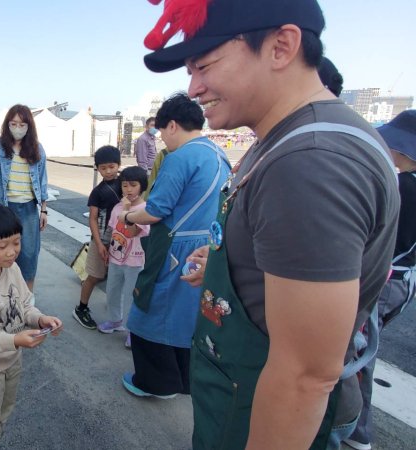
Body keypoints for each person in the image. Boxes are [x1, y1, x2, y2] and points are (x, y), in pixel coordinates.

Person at [143, 0, 399, 448]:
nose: (194, 87)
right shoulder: (286, 136)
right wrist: (230, 263)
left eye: (203, 65)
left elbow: (304, 376)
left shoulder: (311, 162)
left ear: (281, 47)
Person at [117, 94, 229, 397]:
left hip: (174, 247)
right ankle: (184, 380)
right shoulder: (219, 154)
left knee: (151, 311)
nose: (162, 138)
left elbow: (155, 210)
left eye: (162, 131)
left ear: (173, 125)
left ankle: (156, 382)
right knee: (190, 315)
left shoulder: (180, 157)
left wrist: (128, 215)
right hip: (208, 246)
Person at [0, 205, 63, 450]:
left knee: (3, 412)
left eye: (16, 243)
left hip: (12, 363)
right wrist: (16, 341)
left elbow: (25, 305)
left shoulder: (12, 269)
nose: (12, 252)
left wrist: (40, 319)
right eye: (2, 246)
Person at [345, 110, 416, 450]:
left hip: (381, 279)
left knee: (353, 354)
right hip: (403, 282)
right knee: (362, 351)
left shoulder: (400, 184)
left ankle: (353, 427)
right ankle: (355, 427)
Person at [0, 104, 49, 291]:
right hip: (4, 208)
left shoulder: (37, 149)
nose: (17, 128)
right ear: (7, 124)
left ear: (29, 126)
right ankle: (2, 299)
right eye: (13, 123)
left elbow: (42, 181)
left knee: (29, 257)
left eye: (22, 124)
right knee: (1, 255)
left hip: (29, 210)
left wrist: (43, 210)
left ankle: (26, 302)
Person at [98, 166, 150, 342]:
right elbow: (111, 229)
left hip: (135, 260)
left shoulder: (145, 209)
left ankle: (131, 329)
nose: (128, 189)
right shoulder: (117, 207)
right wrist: (105, 248)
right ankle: (115, 320)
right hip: (115, 257)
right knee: (112, 290)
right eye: (125, 185)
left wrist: (127, 213)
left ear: (142, 187)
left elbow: (133, 232)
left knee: (130, 295)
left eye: (133, 185)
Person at [73, 145, 122, 330]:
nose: (108, 171)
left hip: (123, 240)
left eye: (112, 166)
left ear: (118, 165)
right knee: (94, 276)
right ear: (97, 169)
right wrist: (99, 243)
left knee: (118, 277)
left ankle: (116, 309)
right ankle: (81, 308)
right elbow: (93, 219)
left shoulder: (126, 183)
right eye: (103, 168)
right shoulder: (97, 192)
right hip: (102, 239)